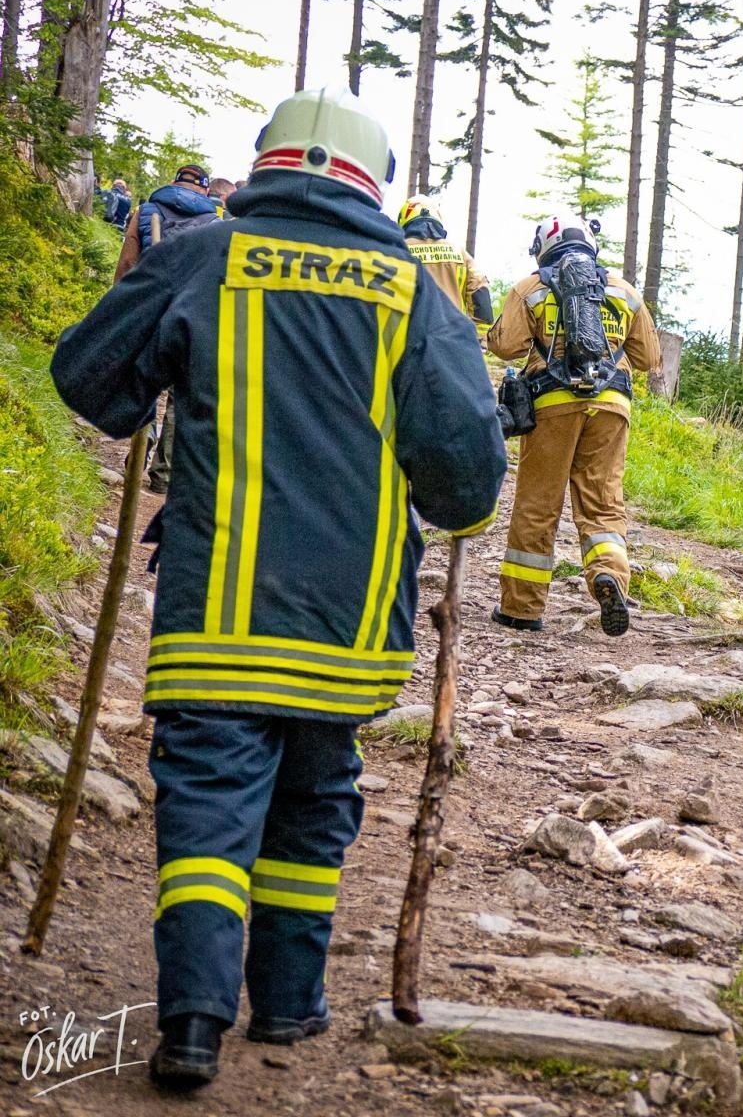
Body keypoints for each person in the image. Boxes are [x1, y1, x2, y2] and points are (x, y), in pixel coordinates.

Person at [51, 87, 506, 1090]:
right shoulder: (409, 293)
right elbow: (466, 480)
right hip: (351, 623)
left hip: (215, 613)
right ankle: (292, 1004)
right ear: (369, 180)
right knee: (314, 796)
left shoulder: (207, 254)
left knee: (209, 809)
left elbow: (91, 381)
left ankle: (193, 1025)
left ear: (267, 163)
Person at [485, 213, 660, 636]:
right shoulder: (624, 292)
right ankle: (609, 576)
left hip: (552, 404)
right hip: (612, 406)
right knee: (602, 503)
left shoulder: (531, 288)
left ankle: (521, 609)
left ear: (544, 245)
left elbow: (506, 346)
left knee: (537, 505)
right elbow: (650, 359)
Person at [117, 165, 226, 494]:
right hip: (194, 315)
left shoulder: (146, 211)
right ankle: (164, 474)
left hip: (149, 308)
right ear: (205, 190)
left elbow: (127, 264)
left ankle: (139, 450)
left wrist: (122, 306)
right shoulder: (216, 225)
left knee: (145, 382)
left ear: (174, 182)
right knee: (181, 396)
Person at [398, 194, 492, 324]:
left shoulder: (398, 251)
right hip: (452, 338)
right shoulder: (460, 253)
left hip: (408, 338)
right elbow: (481, 298)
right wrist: (479, 340)